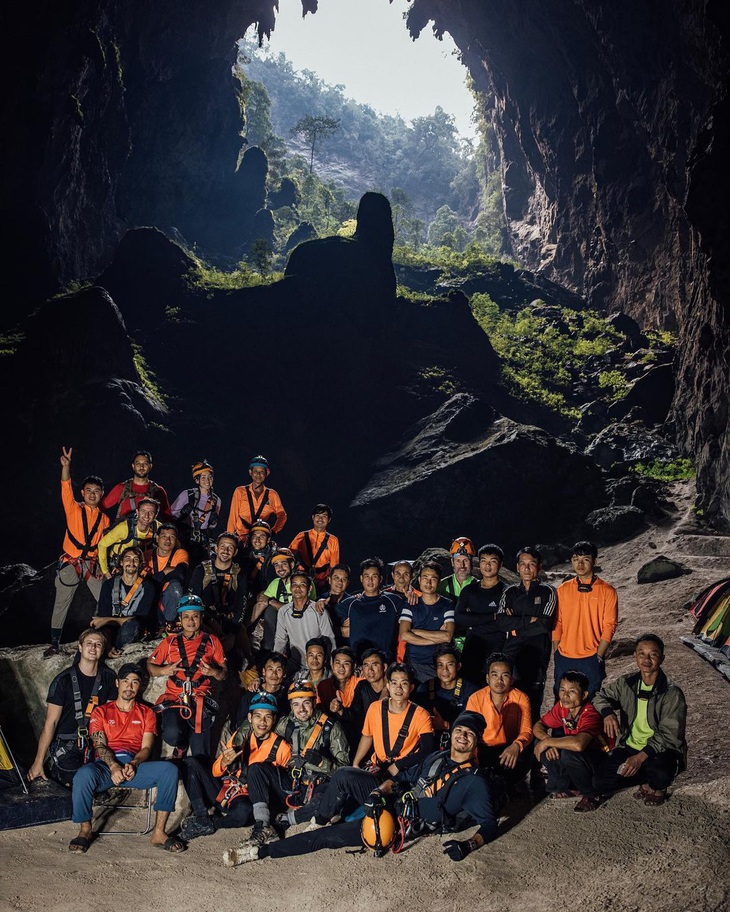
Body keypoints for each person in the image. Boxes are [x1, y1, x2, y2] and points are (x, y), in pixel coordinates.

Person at [223, 710, 497, 866]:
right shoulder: (437, 755)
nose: (462, 737)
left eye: (469, 735)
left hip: (403, 821)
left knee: (327, 839)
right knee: (344, 774)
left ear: (476, 742)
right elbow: (404, 778)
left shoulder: (475, 781)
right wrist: (379, 792)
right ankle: (317, 819)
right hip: (392, 799)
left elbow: (490, 824)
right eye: (460, 731)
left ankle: (259, 853)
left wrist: (469, 845)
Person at [300, 663, 435, 828]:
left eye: (404, 683)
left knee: (344, 783)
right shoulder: (376, 708)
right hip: (377, 769)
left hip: (398, 779)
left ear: (411, 687)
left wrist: (398, 765)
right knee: (335, 785)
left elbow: (428, 750)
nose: (398, 688)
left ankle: (320, 821)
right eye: (394, 682)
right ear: (388, 685)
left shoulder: (421, 715)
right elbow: (367, 736)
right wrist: (356, 763)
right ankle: (317, 817)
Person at [69, 663, 183, 853]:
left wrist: (134, 763)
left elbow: (147, 747)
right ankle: (85, 830)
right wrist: (113, 766)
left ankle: (159, 833)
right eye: (125, 681)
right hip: (106, 767)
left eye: (135, 682)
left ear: (140, 686)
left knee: (169, 770)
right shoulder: (101, 711)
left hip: (134, 767)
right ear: (117, 683)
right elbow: (100, 744)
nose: (129, 686)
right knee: (83, 775)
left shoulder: (147, 713)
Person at [179, 692, 291, 841]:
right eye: (257, 716)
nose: (262, 722)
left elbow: (282, 786)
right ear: (250, 718)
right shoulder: (241, 736)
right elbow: (216, 772)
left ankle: (215, 823)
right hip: (226, 789)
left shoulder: (282, 747)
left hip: (247, 799)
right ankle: (202, 817)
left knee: (244, 812)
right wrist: (224, 762)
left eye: (268, 717)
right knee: (190, 763)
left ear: (274, 719)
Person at [592, 633, 687, 807]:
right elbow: (599, 697)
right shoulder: (627, 683)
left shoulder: (672, 693)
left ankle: (656, 785)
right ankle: (643, 777)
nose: (646, 659)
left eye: (653, 654)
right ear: (635, 656)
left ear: (662, 658)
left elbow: (670, 735)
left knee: (660, 773)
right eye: (641, 653)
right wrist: (607, 713)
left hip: (659, 751)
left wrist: (639, 758)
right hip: (630, 746)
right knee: (600, 782)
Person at [246, 681, 350, 836]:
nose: (301, 709)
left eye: (306, 703)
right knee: (256, 769)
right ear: (290, 706)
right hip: (293, 784)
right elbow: (260, 723)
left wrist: (322, 762)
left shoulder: (332, 728)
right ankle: (262, 823)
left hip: (319, 785)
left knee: (332, 799)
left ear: (315, 702)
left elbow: (344, 772)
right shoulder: (286, 724)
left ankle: (288, 819)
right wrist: (239, 738)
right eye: (296, 704)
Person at [28, 628, 117, 788]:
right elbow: (51, 723)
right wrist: (38, 761)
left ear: (103, 649)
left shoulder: (109, 678)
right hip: (67, 745)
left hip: (97, 744)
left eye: (98, 644)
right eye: (89, 643)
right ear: (80, 648)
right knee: (80, 782)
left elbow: (111, 715)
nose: (93, 648)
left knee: (106, 778)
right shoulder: (63, 681)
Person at [45, 447, 110, 658]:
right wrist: (66, 467)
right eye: (89, 490)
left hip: (90, 564)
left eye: (96, 491)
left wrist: (102, 567)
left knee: (106, 596)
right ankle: (55, 642)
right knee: (63, 596)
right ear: (83, 493)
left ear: (102, 494)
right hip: (72, 562)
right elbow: (65, 487)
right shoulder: (73, 508)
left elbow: (103, 546)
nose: (92, 494)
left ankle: (104, 637)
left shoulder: (105, 519)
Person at [147, 594, 227, 759]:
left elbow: (224, 674)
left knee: (200, 753)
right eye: (186, 617)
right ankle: (182, 744)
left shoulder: (212, 641)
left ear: (201, 617)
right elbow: (149, 666)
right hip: (175, 697)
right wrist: (163, 671)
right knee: (171, 735)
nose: (191, 621)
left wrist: (214, 672)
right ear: (180, 619)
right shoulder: (169, 643)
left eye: (195, 616)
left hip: (200, 697)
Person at [533, 671, 612, 811]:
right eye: (562, 689)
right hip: (580, 754)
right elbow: (538, 726)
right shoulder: (562, 707)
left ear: (584, 695)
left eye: (572, 691)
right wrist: (547, 740)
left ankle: (593, 794)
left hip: (600, 757)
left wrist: (547, 742)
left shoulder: (590, 712)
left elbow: (579, 744)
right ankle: (567, 787)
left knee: (568, 754)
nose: (565, 695)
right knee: (542, 744)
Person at [497, 546, 556, 721]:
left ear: (539, 567)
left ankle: (531, 745)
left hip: (537, 653)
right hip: (511, 653)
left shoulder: (548, 591)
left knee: (532, 702)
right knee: (509, 699)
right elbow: (501, 622)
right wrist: (528, 620)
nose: (527, 568)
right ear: (517, 567)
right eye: (523, 564)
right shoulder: (510, 592)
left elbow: (545, 624)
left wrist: (514, 628)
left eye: (531, 564)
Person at [553, 541, 619, 698]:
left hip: (591, 657)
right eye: (576, 559)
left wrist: (599, 654)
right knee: (561, 702)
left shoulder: (607, 591)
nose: (580, 564)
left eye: (585, 559)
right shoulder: (562, 590)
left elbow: (610, 625)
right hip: (564, 656)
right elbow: (558, 622)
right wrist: (556, 651)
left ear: (594, 561)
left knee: (590, 703)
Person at [465, 653, 533, 789]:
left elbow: (527, 731)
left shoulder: (521, 698)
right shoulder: (475, 699)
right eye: (495, 675)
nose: (499, 680)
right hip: (483, 749)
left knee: (527, 752)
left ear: (512, 679)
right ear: (487, 678)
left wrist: (516, 746)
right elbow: (470, 732)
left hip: (509, 749)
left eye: (505, 675)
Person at [188, 531, 250, 668]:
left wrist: (233, 632)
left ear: (235, 552)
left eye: (230, 548)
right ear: (215, 548)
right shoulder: (201, 570)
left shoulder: (239, 573)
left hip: (230, 621)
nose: (226, 551)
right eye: (222, 546)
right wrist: (210, 622)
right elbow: (193, 601)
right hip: (206, 620)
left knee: (247, 658)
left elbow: (242, 603)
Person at [454, 544, 507, 683]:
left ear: (500, 564)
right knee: (470, 689)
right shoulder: (469, 591)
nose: (487, 566)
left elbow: (504, 622)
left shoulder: (507, 592)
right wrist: (492, 616)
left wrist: (473, 621)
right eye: (484, 561)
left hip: (497, 650)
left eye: (492, 562)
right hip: (472, 649)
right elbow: (459, 618)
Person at [398, 561, 455, 683]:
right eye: (425, 578)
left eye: (433, 579)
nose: (428, 583)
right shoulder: (410, 604)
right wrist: (435, 639)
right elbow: (404, 635)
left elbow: (448, 636)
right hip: (414, 664)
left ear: (439, 581)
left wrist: (416, 632)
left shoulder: (447, 604)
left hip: (438, 665)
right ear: (419, 580)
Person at [273, 568, 337, 676]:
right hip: (295, 664)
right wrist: (275, 662)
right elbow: (280, 640)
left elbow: (330, 639)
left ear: (309, 588)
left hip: (317, 664)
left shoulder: (319, 610)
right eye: (294, 585)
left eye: (302, 584)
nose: (298, 588)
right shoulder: (284, 611)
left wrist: (332, 665)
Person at [92, 546, 155, 654]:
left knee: (131, 626)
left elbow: (140, 619)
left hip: (131, 631)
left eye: (136, 559)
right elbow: (102, 619)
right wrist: (108, 643)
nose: (131, 562)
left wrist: (109, 620)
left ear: (140, 564)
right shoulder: (109, 585)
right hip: (109, 631)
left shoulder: (148, 588)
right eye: (127, 559)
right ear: (121, 562)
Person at [335, 558, 401, 661]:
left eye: (374, 576)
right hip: (359, 663)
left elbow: (412, 618)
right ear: (361, 578)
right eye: (367, 576)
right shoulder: (350, 603)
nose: (370, 580)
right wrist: (342, 630)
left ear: (381, 579)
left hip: (386, 661)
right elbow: (328, 625)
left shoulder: (393, 601)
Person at [414, 644, 478, 745]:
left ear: (458, 666)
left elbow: (474, 726)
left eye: (450, 664)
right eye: (440, 665)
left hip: (461, 743)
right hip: (430, 741)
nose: (445, 670)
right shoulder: (424, 689)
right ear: (435, 668)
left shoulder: (471, 691)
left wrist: (446, 725)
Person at [171, 459, 221, 567]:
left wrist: (213, 520)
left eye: (209, 477)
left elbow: (212, 525)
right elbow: (171, 516)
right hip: (185, 538)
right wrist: (182, 515)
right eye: (203, 477)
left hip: (203, 541)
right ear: (197, 480)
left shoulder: (216, 500)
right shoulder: (187, 495)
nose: (207, 480)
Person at [227, 455, 287, 541]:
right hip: (241, 538)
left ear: (267, 473)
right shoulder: (240, 491)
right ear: (250, 472)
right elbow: (233, 517)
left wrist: (273, 531)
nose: (258, 474)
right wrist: (230, 538)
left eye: (262, 471)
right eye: (255, 471)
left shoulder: (272, 495)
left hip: (259, 540)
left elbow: (282, 516)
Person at [97, 497, 161, 578]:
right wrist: (106, 572)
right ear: (137, 512)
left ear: (155, 515)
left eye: (151, 513)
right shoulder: (124, 528)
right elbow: (102, 544)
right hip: (118, 564)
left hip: (139, 565)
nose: (146, 516)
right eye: (143, 511)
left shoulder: (158, 528)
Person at [101, 450, 171, 520]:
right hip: (124, 529)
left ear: (150, 466)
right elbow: (102, 506)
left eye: (145, 464)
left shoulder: (158, 491)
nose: (141, 467)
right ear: (133, 466)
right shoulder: (122, 488)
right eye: (138, 464)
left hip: (149, 530)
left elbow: (167, 518)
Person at [143, 523, 189, 631]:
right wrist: (165, 572)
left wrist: (155, 578)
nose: (168, 540)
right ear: (157, 538)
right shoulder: (146, 555)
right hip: (149, 601)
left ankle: (169, 624)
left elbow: (180, 574)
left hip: (167, 601)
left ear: (176, 540)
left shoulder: (180, 553)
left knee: (175, 587)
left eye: (172, 537)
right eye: (164, 536)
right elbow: (143, 583)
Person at [289, 504, 340, 593]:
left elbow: (334, 566)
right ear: (313, 517)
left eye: (324, 516)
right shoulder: (302, 536)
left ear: (329, 520)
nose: (320, 519)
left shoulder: (333, 540)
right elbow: (289, 555)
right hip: (301, 578)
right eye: (318, 516)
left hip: (322, 581)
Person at [237, 652, 290, 725]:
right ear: (264, 671)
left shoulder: (287, 694)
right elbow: (241, 721)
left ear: (284, 673)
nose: (274, 674)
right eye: (270, 669)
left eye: (278, 670)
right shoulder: (252, 692)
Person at [313, 563, 352, 639]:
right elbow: (315, 629)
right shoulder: (318, 601)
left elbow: (354, 631)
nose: (340, 582)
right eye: (336, 578)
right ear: (329, 580)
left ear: (347, 583)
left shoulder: (352, 602)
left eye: (344, 579)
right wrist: (341, 629)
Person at [241, 519, 278, 594]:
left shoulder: (275, 558)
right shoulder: (242, 555)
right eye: (254, 536)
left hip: (267, 595)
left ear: (268, 540)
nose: (257, 540)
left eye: (262, 537)